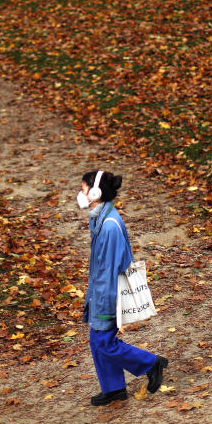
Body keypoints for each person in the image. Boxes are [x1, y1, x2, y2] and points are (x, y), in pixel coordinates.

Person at [77, 169, 168, 405]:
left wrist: (104, 306)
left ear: (96, 192)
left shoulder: (108, 226)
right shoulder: (100, 218)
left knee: (102, 342)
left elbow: (109, 271)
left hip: (107, 294)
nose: (81, 193)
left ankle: (151, 362)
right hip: (100, 291)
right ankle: (114, 388)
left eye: (84, 189)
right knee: (98, 342)